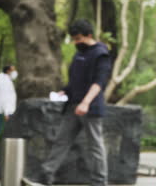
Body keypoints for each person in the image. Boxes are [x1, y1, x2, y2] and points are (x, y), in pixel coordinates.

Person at [37, 20, 111, 186]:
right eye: (74, 39)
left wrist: (85, 103)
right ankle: (46, 175)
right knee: (61, 141)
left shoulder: (101, 54)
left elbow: (99, 82)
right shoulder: (78, 55)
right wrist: (64, 92)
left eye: (78, 39)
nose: (76, 42)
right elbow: (75, 81)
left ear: (89, 35)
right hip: (72, 106)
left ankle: (100, 182)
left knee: (95, 146)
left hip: (90, 108)